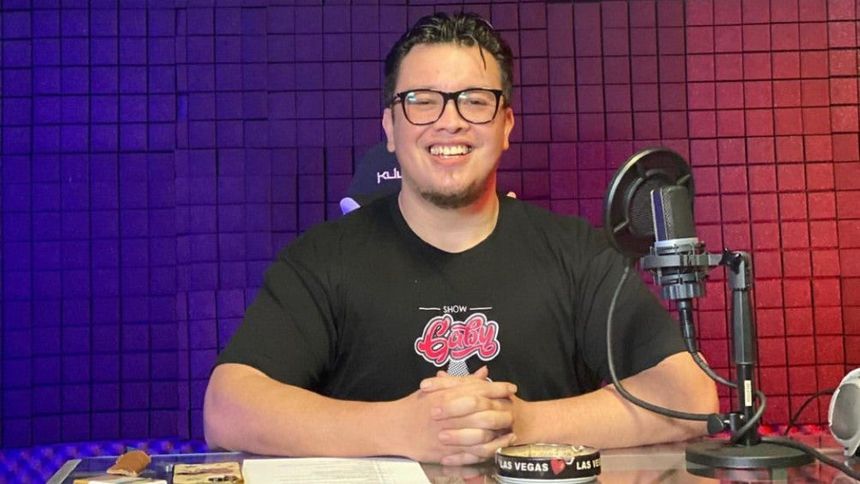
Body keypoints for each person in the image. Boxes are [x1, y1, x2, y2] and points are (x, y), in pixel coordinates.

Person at [203, 12, 718, 466]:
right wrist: (402, 429)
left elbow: (691, 397)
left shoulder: (578, 253)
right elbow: (228, 408)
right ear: (390, 127)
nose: (449, 122)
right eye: (422, 101)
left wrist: (518, 424)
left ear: (506, 124)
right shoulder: (322, 259)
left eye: (474, 101)